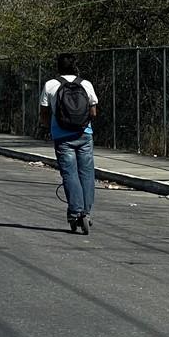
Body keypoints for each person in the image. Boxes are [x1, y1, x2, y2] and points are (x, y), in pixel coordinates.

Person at [39, 57, 100, 234]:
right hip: (84, 134)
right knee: (87, 174)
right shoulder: (86, 84)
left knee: (69, 174)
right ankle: (86, 213)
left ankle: (75, 212)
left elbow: (44, 112)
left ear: (57, 68)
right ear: (76, 67)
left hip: (62, 137)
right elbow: (93, 112)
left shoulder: (50, 85)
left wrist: (48, 127)